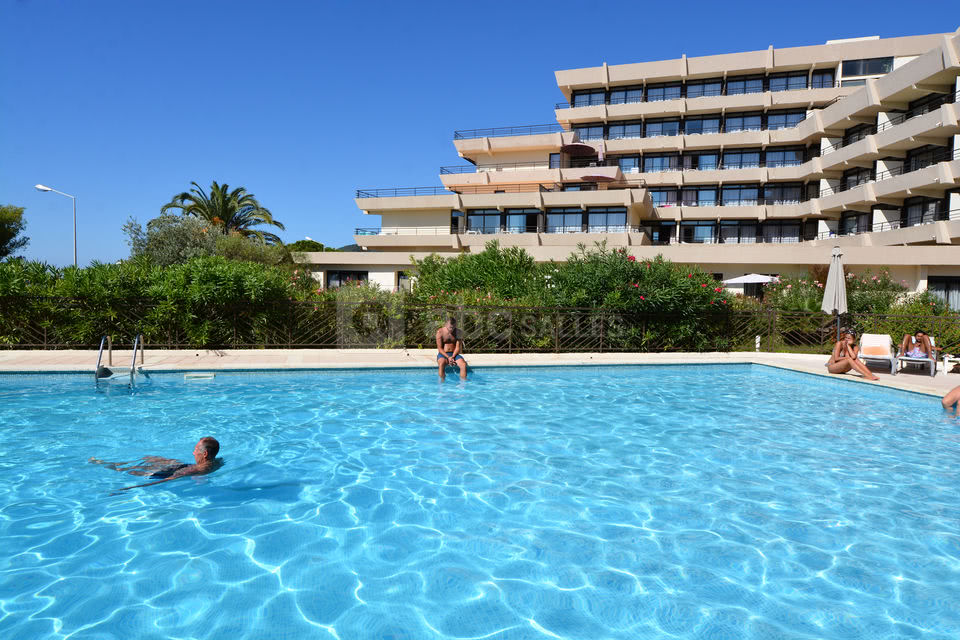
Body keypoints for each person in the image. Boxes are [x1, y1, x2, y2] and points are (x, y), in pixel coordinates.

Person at [89, 437, 222, 491]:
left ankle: (107, 464)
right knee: (151, 458)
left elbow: (166, 480)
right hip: (184, 466)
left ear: (205, 454)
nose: (193, 453)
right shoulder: (217, 462)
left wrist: (128, 489)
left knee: (133, 469)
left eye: (195, 450)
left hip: (178, 470)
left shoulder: (194, 471)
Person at [436, 316, 467, 380]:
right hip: (443, 354)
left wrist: (452, 357)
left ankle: (463, 383)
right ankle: (441, 382)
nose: (452, 329)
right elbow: (439, 348)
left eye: (453, 327)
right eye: (450, 327)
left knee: (463, 365)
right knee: (441, 364)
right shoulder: (440, 332)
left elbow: (457, 347)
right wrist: (448, 357)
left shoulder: (458, 332)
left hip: (454, 354)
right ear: (446, 324)